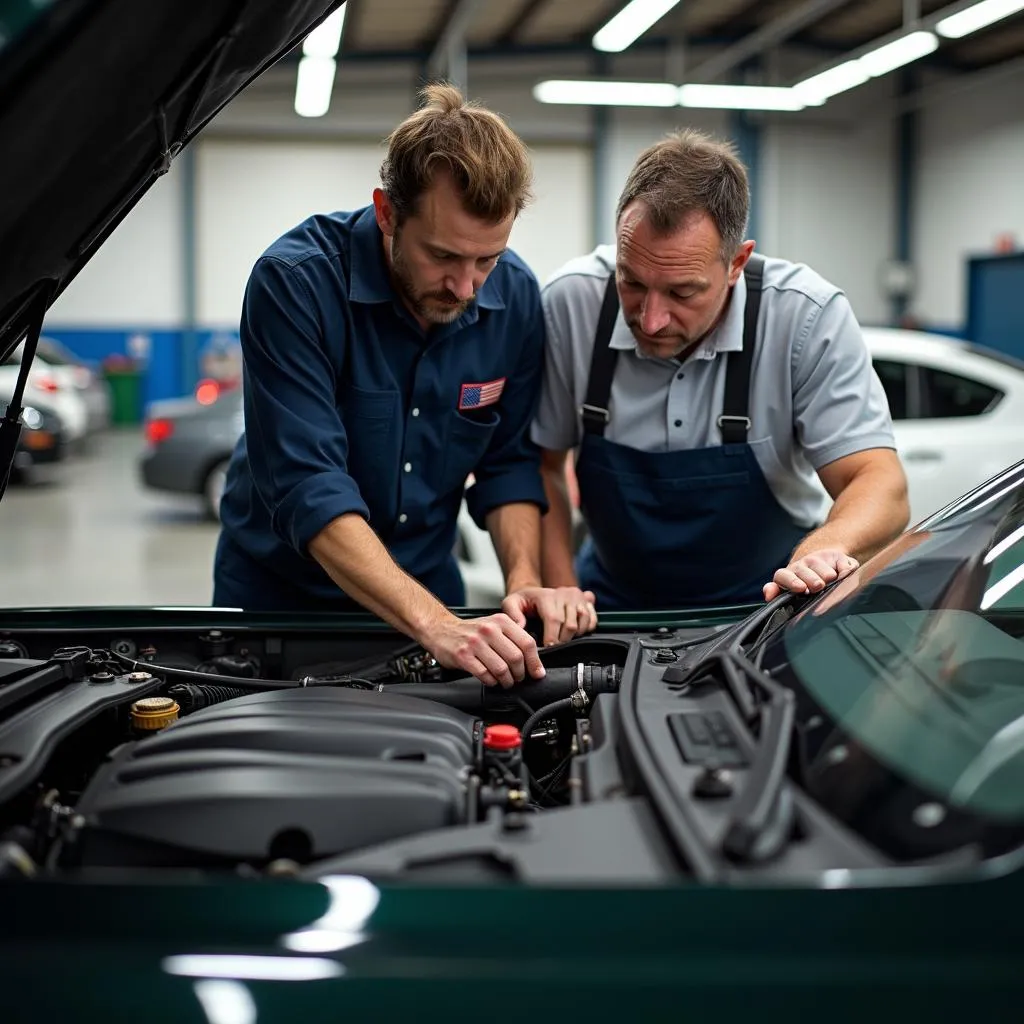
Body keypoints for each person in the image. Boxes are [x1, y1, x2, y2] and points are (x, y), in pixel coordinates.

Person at [212, 84, 596, 686]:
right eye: (443, 256)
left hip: (433, 600)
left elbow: (508, 466)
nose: (467, 288)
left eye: (487, 259)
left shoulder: (514, 295)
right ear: (388, 212)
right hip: (281, 609)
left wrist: (522, 583)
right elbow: (309, 485)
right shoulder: (296, 283)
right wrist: (437, 626)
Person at [532, 129, 910, 611]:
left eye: (683, 293)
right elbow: (542, 469)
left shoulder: (804, 318)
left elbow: (880, 483)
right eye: (631, 282)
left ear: (736, 262)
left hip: (764, 609)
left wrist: (824, 548)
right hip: (608, 607)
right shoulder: (573, 304)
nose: (650, 319)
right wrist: (563, 591)